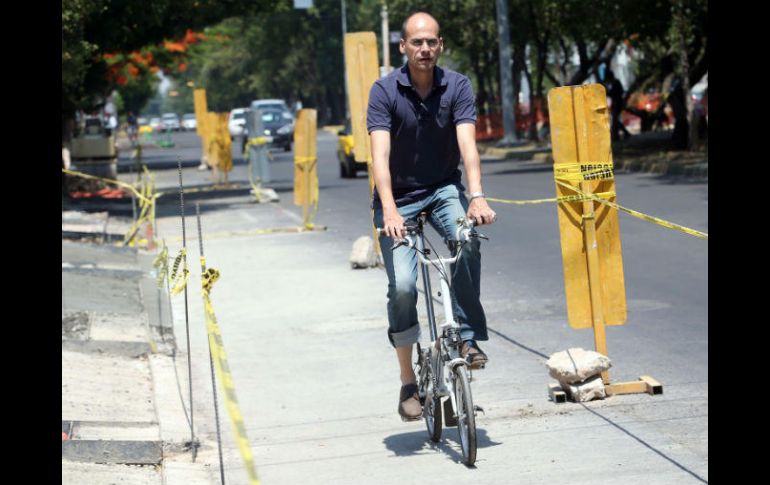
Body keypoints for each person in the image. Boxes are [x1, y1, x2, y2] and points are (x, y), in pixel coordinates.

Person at [367, 11, 497, 421]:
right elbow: (379, 156)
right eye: (416, 42)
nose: (425, 49)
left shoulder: (456, 85)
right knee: (404, 285)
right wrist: (389, 209)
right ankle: (408, 380)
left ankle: (467, 338)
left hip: (442, 189)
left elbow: (468, 146)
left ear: (440, 46)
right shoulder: (384, 91)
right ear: (403, 47)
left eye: (431, 42)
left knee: (467, 238)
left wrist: (476, 197)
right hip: (398, 197)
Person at [604, 69, 631, 141]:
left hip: (617, 103)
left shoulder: (615, 82)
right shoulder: (614, 82)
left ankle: (619, 135)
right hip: (616, 103)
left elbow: (617, 92)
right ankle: (623, 134)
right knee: (615, 120)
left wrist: (609, 92)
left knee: (615, 120)